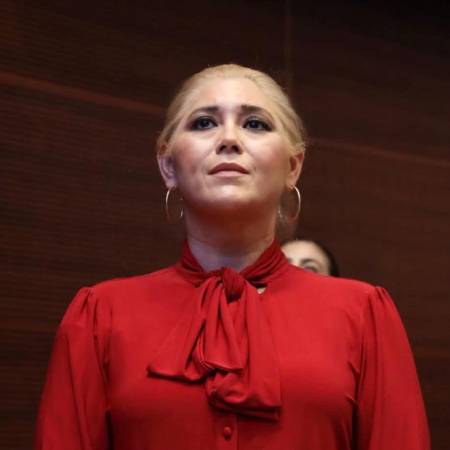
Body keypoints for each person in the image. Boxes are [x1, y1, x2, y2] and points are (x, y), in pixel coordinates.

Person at [35, 64, 430, 450]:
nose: (229, 139)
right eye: (204, 123)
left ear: (293, 167)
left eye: (255, 124)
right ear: (168, 165)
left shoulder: (363, 314)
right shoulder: (100, 317)